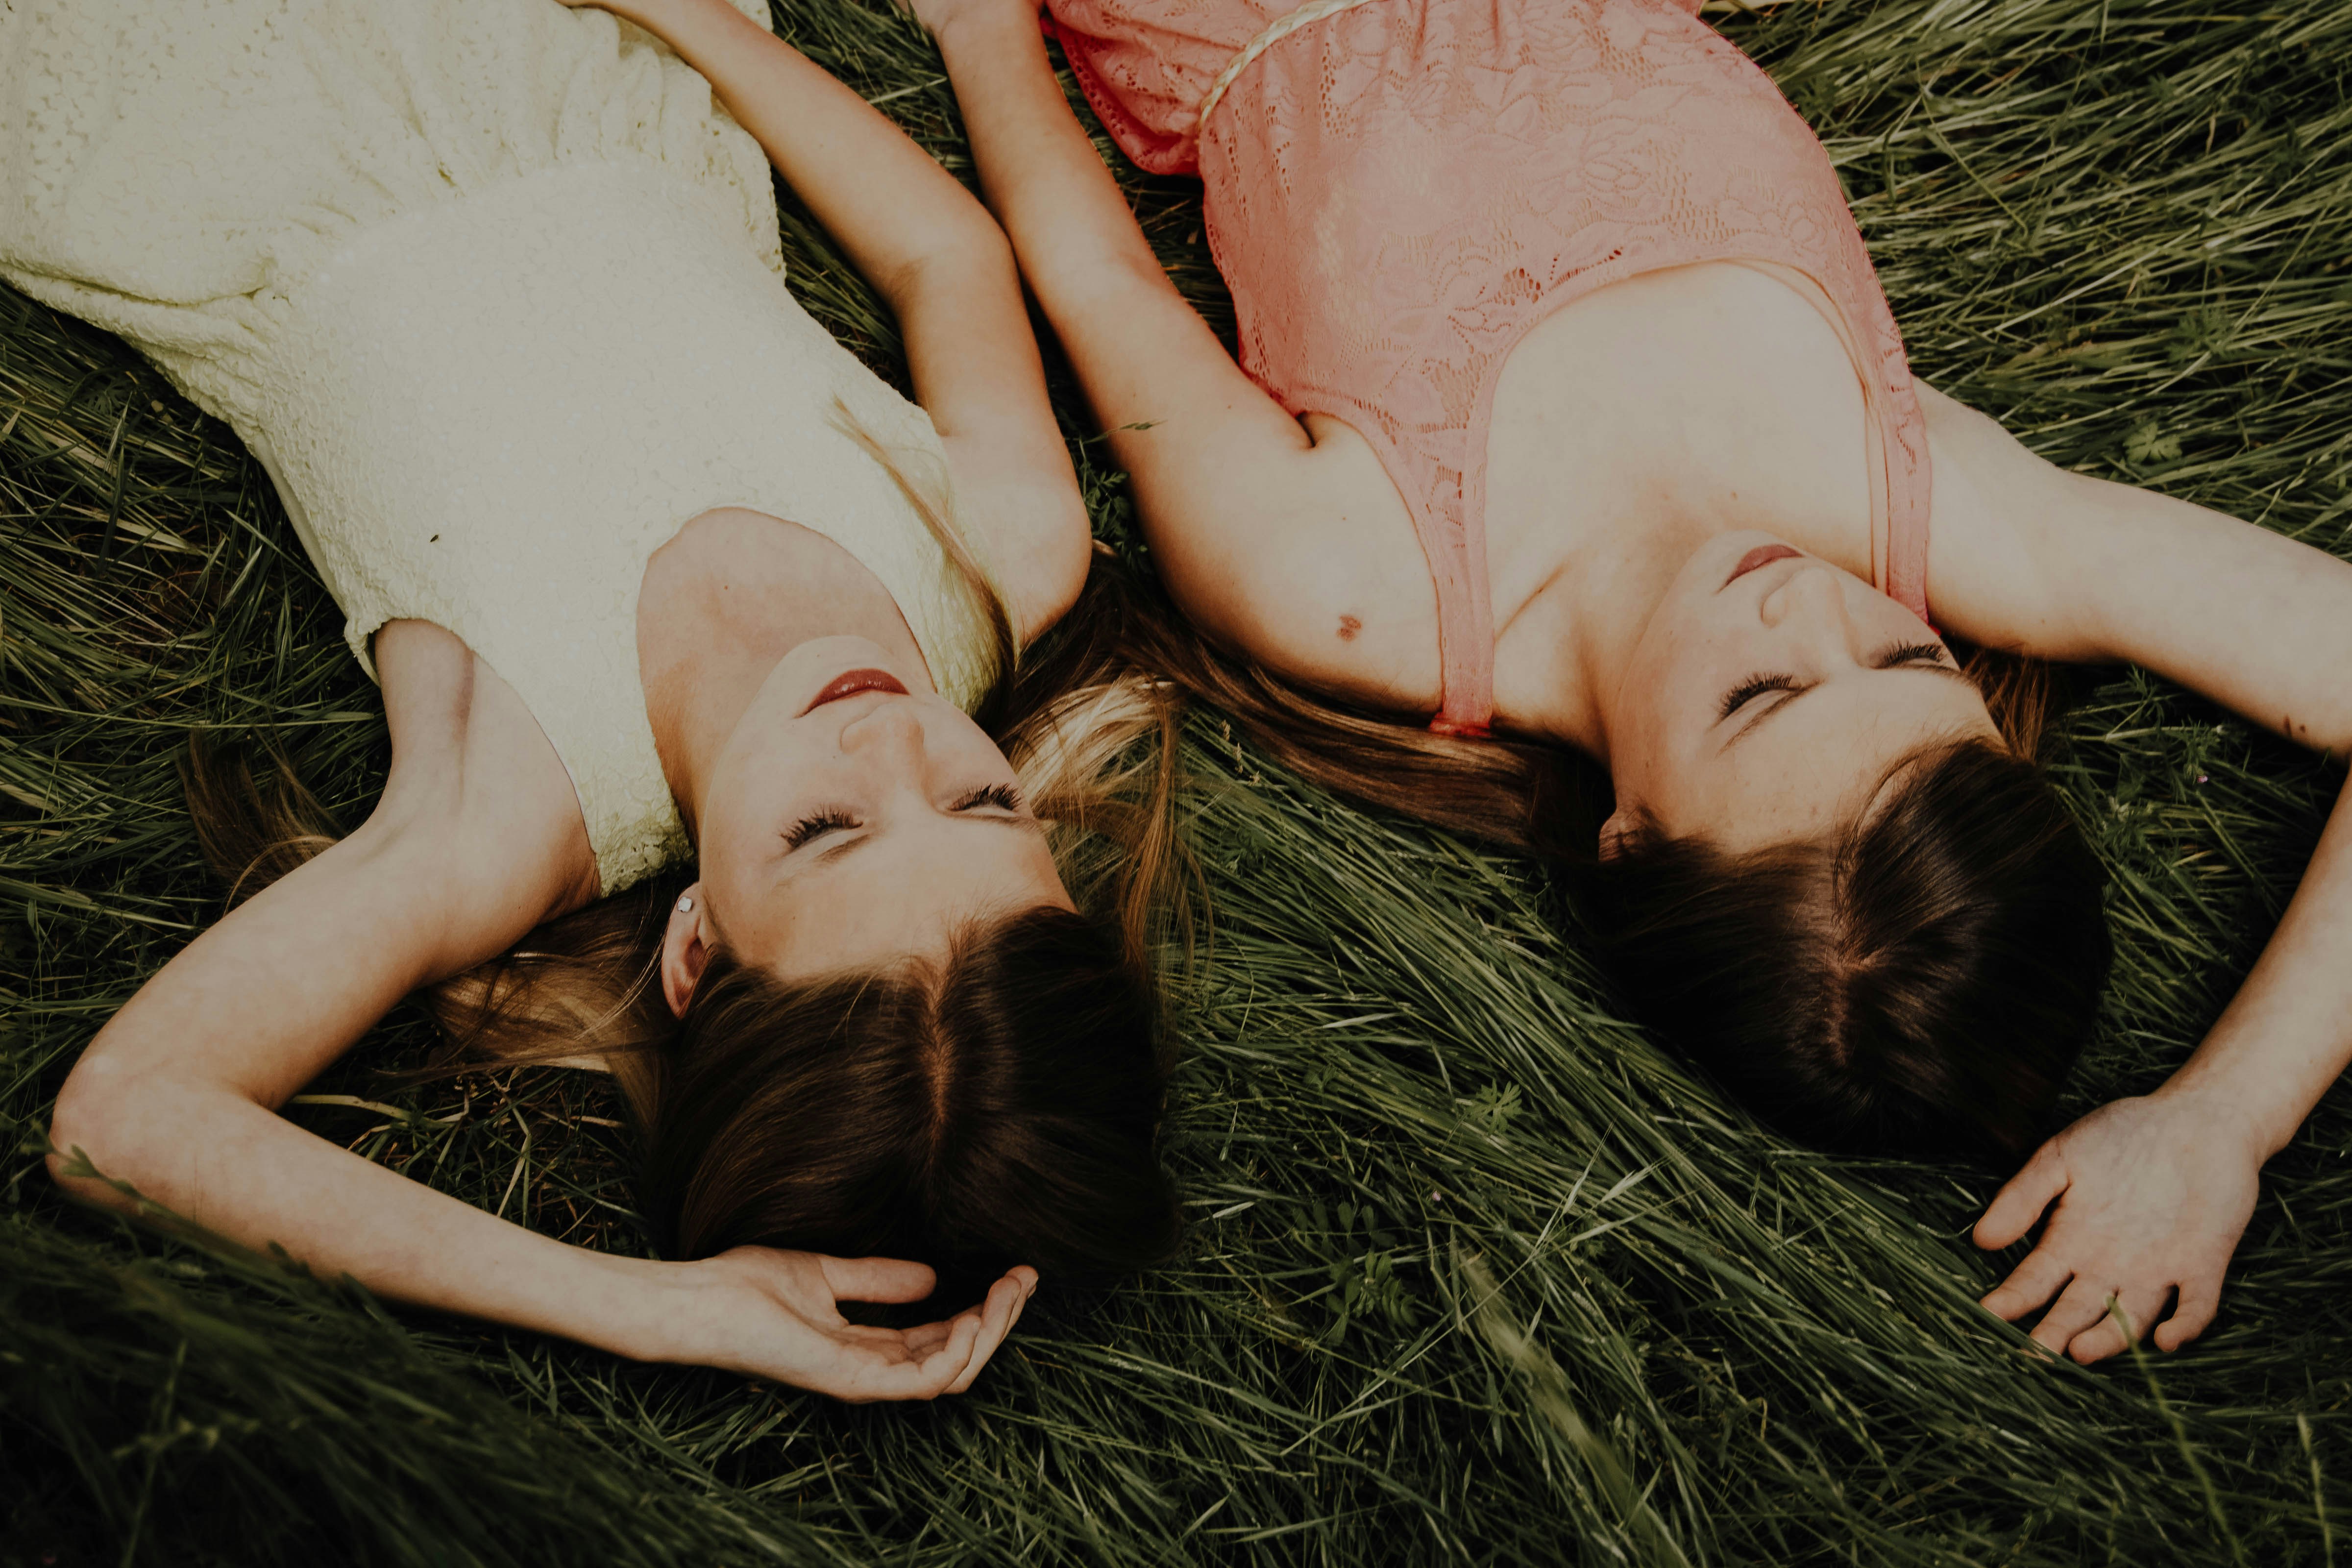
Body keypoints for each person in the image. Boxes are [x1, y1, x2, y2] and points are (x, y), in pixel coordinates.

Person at [905, 0, 2352, 1365]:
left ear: (1635, 836)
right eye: (1905, 656)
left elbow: (1097, 277)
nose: (1805, 604)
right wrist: (2230, 1115)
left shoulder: (1355, 587)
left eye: (1761, 697)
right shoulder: (1950, 524)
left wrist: (979, 30)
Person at [10, 0, 1184, 1402]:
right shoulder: (1001, 559)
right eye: (982, 800)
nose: (891, 741)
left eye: (825, 830)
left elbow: (124, 1121)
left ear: (695, 947)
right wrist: (679, 20)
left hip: (238, 128)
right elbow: (948, 259)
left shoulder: (512, 802)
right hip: (553, 58)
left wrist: (653, 1309)